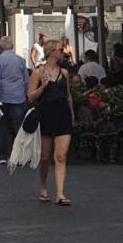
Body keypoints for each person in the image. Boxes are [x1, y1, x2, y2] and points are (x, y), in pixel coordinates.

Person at [27, 39, 75, 206]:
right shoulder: (38, 72)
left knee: (61, 156)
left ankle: (60, 193)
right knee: (46, 157)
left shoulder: (65, 73)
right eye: (60, 50)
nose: (63, 52)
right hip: (46, 115)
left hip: (62, 114)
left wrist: (72, 115)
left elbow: (68, 95)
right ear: (51, 52)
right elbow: (30, 96)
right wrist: (43, 87)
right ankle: (43, 187)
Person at [0, 37, 28, 166]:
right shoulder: (21, 60)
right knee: (19, 127)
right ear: (12, 46)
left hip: (3, 97)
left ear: (1, 47)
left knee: (2, 126)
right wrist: (27, 93)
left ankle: (2, 155)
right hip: (19, 96)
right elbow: (26, 79)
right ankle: (20, 156)